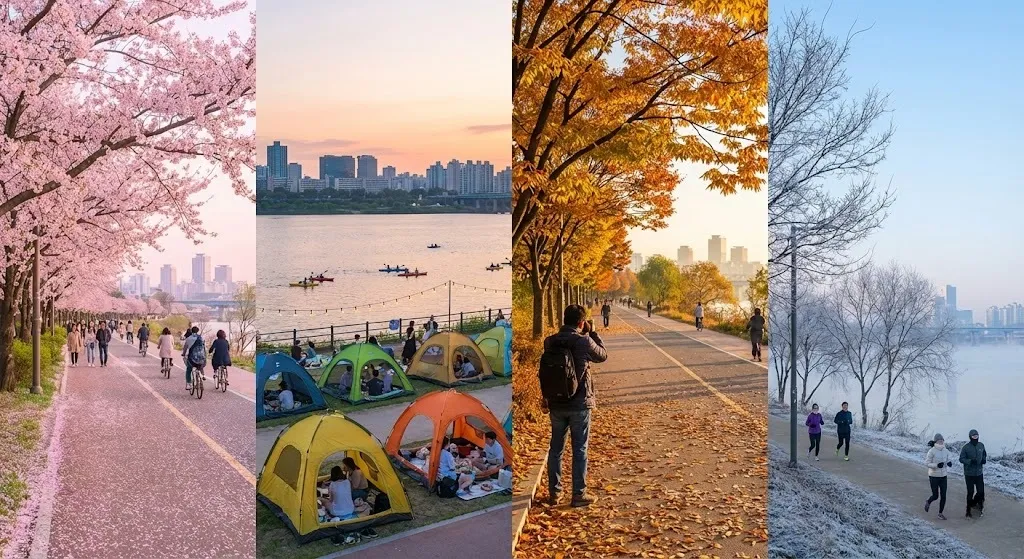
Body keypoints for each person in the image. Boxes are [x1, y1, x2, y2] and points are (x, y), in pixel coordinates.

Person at [542, 304, 608, 508]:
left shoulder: (550, 341)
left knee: (556, 448)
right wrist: (593, 332)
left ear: (564, 319)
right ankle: (578, 494)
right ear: (581, 322)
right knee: (579, 448)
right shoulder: (584, 341)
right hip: (579, 403)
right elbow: (602, 355)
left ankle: (555, 492)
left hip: (556, 403)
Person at [925, 433, 953, 520]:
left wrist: (949, 463)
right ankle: (928, 501)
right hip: (934, 476)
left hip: (943, 476)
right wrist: (937, 465)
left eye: (942, 440)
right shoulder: (932, 451)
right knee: (935, 495)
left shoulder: (945, 450)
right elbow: (927, 463)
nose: (941, 442)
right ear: (936, 441)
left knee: (943, 496)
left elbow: (949, 458)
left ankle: (940, 513)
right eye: (939, 441)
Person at [959, 429, 987, 518]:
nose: (975, 437)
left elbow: (984, 454)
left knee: (981, 492)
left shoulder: (981, 445)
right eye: (974, 436)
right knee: (970, 492)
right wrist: (970, 461)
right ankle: (968, 510)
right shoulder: (966, 447)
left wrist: (983, 459)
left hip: (979, 473)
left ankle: (976, 504)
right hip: (969, 474)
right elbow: (961, 459)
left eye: (977, 436)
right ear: (970, 437)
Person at [182, 326, 202, 391]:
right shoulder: (201, 338)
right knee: (200, 365)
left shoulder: (188, 339)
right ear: (198, 331)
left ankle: (188, 384)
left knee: (189, 369)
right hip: (200, 357)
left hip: (191, 358)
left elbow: (185, 348)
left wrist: (183, 354)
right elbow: (204, 348)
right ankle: (201, 374)